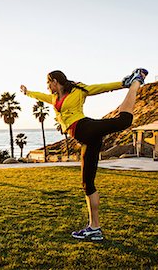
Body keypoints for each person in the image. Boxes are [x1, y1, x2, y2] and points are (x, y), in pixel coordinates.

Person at [20, 68, 148, 241]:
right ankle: (94, 227)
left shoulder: (78, 90)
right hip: (87, 139)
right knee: (87, 184)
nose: (48, 87)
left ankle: (135, 82)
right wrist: (27, 93)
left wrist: (121, 84)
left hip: (85, 127)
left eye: (48, 83)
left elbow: (99, 88)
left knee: (123, 121)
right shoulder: (53, 98)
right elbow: (39, 96)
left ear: (54, 81)